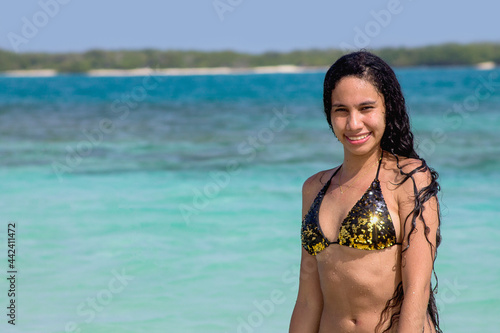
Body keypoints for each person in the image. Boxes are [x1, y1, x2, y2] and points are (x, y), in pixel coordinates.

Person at [289, 51, 442, 333]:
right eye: (341, 110)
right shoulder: (314, 188)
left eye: (366, 108)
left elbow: (416, 292)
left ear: (387, 109)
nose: (354, 123)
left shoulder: (409, 179)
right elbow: (308, 300)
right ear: (329, 115)